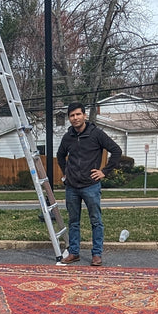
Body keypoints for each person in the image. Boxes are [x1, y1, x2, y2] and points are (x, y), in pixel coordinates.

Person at [54, 102, 122, 266]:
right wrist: (66, 173)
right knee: (73, 221)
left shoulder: (96, 134)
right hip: (72, 187)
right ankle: (74, 253)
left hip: (91, 186)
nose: (75, 118)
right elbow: (60, 155)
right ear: (69, 118)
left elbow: (116, 151)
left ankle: (96, 254)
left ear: (84, 115)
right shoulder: (68, 137)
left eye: (78, 114)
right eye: (72, 115)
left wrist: (104, 172)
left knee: (96, 221)